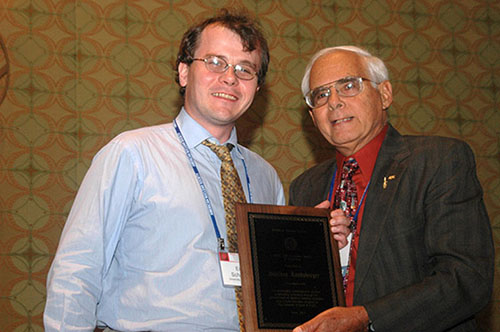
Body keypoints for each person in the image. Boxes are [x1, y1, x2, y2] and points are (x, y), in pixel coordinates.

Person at [44, 10, 286, 331]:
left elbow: (278, 283)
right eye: (215, 62)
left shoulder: (266, 178)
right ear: (184, 72)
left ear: (257, 88)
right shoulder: (132, 154)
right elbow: (78, 268)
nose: (230, 77)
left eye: (245, 69)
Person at [289, 46, 494, 332]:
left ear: (385, 94)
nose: (333, 102)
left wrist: (366, 317)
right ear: (312, 116)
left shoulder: (438, 161)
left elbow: (467, 279)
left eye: (349, 86)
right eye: (321, 95)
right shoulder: (305, 188)